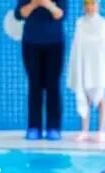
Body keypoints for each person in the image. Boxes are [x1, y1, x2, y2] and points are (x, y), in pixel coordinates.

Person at [15, 0, 68, 140]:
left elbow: (61, 14)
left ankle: (53, 127)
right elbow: (19, 14)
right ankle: (34, 126)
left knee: (53, 86)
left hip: (54, 43)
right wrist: (34, 3)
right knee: (34, 85)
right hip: (31, 43)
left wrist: (46, 3)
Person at [68, 0, 105, 143]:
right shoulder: (80, 23)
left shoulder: (102, 23)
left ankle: (102, 131)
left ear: (97, 6)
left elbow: (101, 45)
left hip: (98, 67)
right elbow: (77, 46)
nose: (89, 7)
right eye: (87, 4)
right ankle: (84, 130)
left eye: (92, 4)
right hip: (84, 65)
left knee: (101, 99)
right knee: (84, 98)